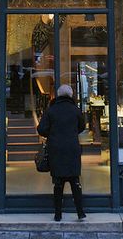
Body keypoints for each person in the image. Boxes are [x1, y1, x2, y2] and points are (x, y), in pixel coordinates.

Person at [37, 84, 86, 221]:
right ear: (70, 95)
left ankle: (58, 214)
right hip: (72, 148)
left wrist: (52, 134)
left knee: (58, 184)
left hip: (56, 149)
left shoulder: (51, 110)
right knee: (75, 181)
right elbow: (82, 126)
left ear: (58, 95)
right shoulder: (75, 110)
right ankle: (80, 212)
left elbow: (41, 129)